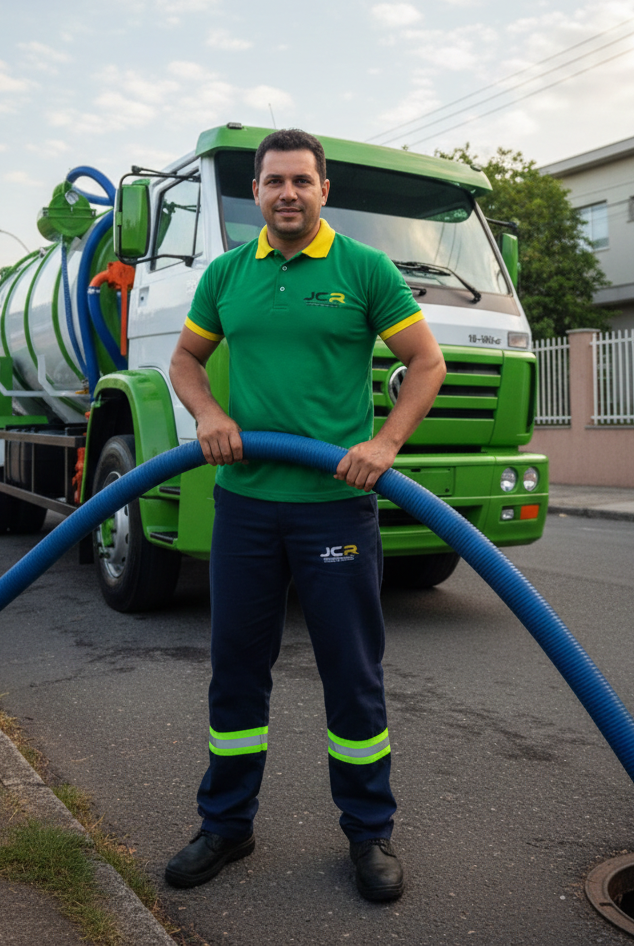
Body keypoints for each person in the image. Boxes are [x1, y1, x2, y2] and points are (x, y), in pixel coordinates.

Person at [165, 128, 446, 902]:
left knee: (352, 680)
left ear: (324, 190)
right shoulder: (228, 275)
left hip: (334, 510)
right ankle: (225, 825)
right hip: (247, 507)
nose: (287, 192)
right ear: (254, 193)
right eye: (272, 181)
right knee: (236, 677)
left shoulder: (364, 268)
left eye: (301, 180)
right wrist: (209, 413)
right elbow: (185, 361)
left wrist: (386, 442)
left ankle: (369, 836)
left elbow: (427, 363)